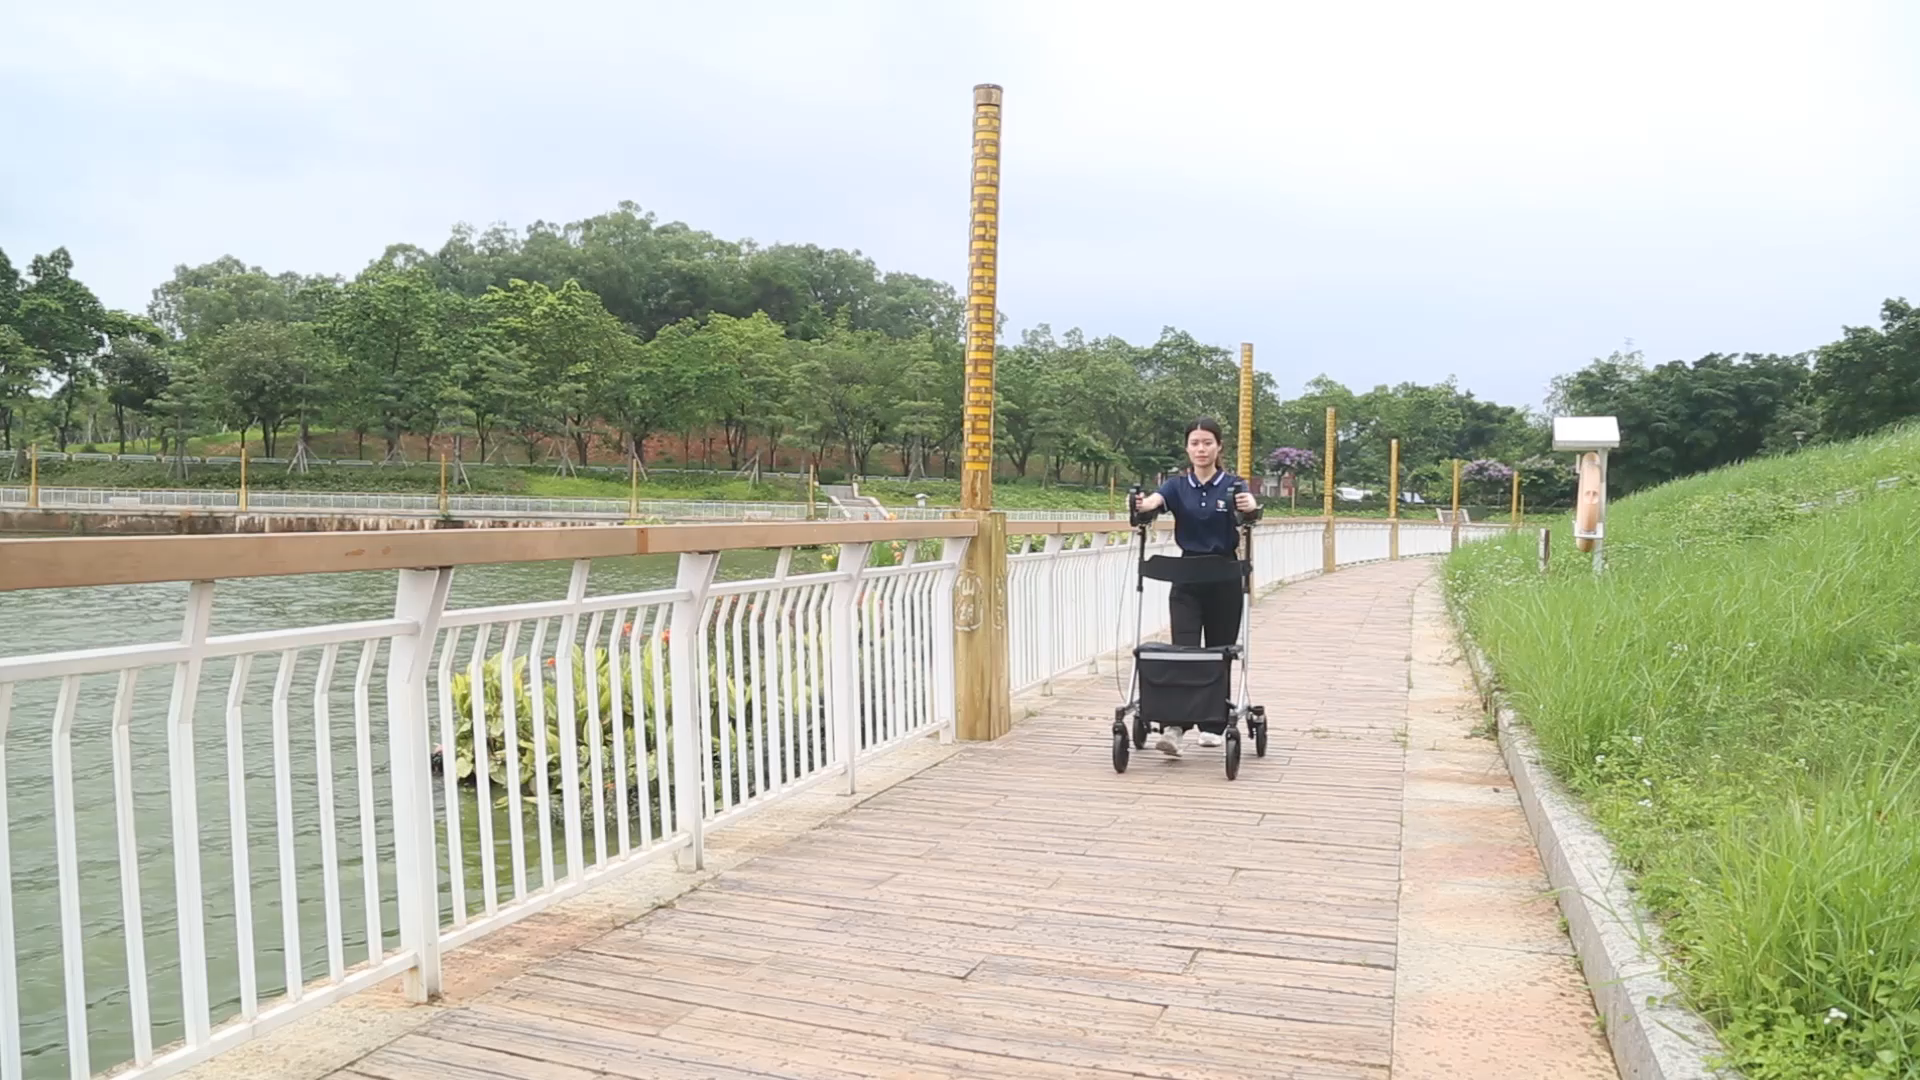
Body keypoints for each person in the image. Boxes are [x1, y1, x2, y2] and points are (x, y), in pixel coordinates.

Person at [1129, 417, 1259, 756]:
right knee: (1183, 651)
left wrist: (1251, 507)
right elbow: (1155, 502)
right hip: (1187, 577)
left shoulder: (1232, 484)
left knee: (1219, 650)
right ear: (1187, 448)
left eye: (1207, 443)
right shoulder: (1177, 486)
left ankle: (1214, 722)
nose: (1201, 449)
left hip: (1224, 576)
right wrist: (1144, 505)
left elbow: (1249, 511)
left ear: (1218, 447)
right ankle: (1175, 725)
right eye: (1194, 443)